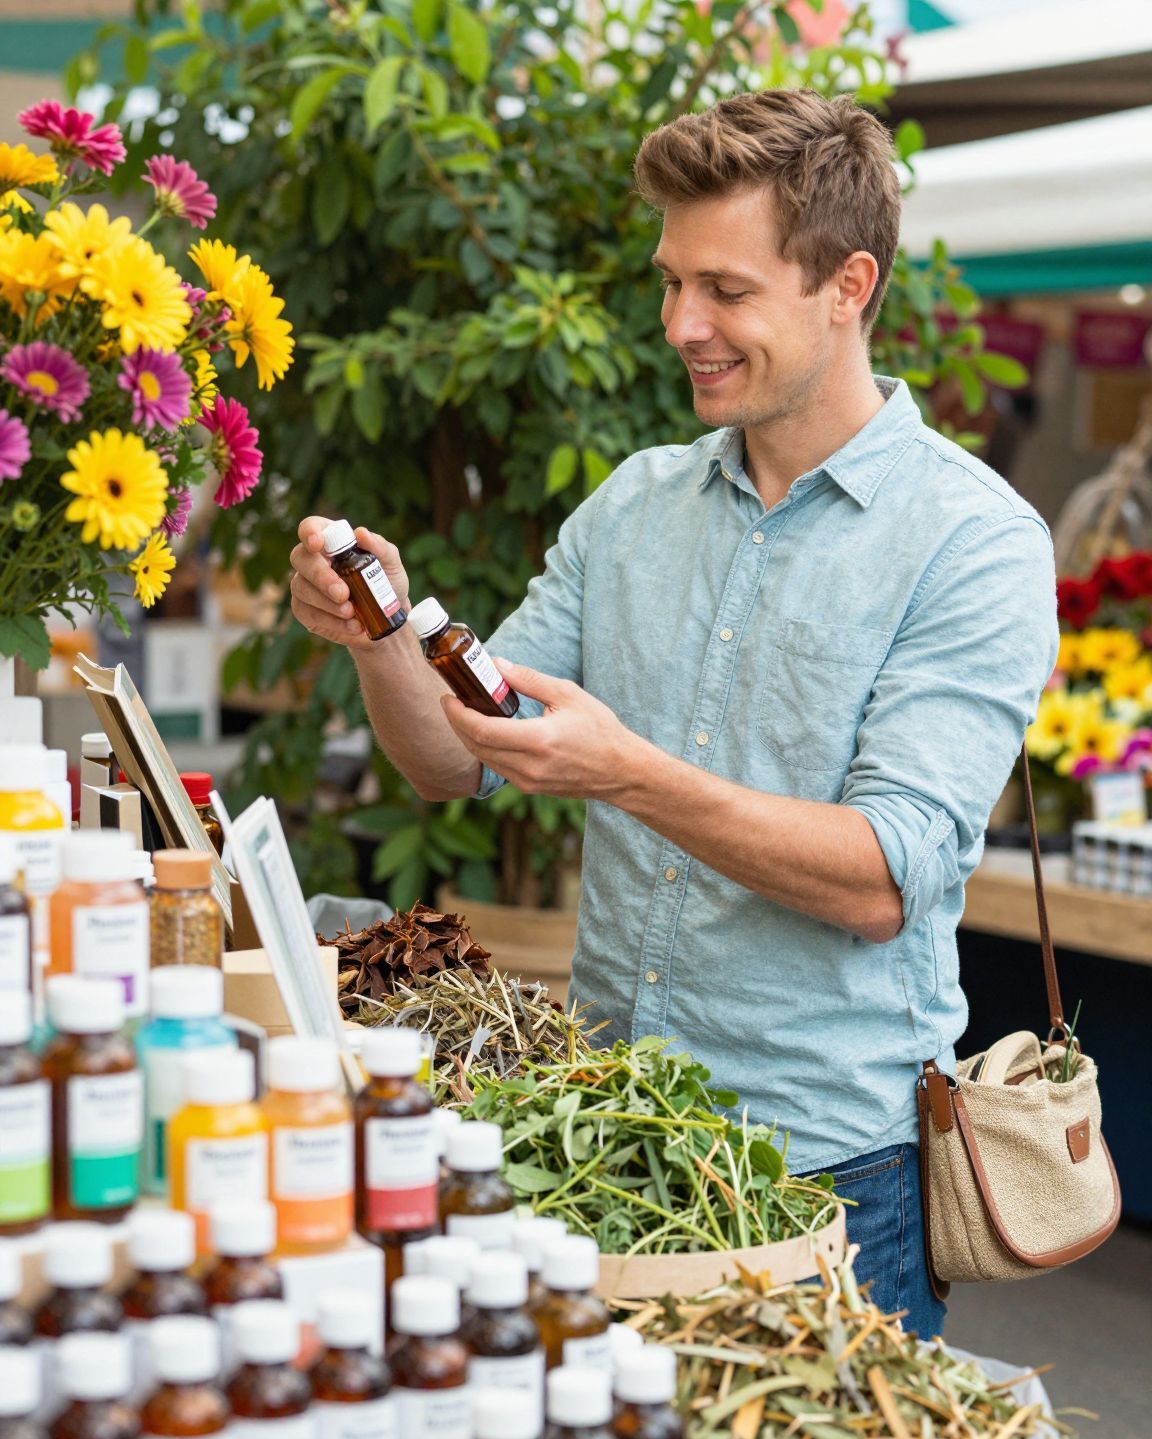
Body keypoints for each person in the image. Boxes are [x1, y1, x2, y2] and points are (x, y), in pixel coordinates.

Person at [289, 88, 1058, 1339]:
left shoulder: (973, 544)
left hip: (825, 1181)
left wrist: (628, 774)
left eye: (728, 290)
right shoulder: (634, 506)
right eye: (671, 283)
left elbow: (883, 879)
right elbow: (453, 761)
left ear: (847, 284)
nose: (681, 325)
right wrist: (379, 633)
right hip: (600, 1132)